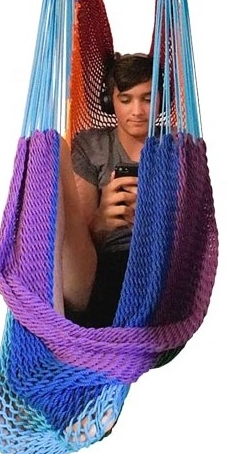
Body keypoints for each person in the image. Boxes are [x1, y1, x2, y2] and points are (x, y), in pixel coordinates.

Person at [63, 52, 156, 327]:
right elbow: (80, 236)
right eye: (125, 100)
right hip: (104, 263)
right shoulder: (92, 146)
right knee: (52, 149)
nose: (137, 111)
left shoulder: (176, 146)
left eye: (147, 99)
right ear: (109, 101)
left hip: (161, 259)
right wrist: (102, 219)